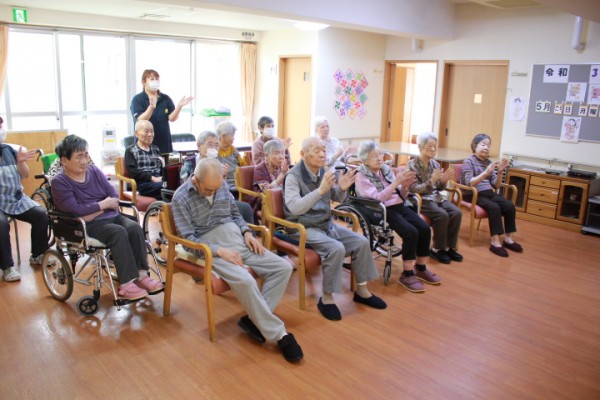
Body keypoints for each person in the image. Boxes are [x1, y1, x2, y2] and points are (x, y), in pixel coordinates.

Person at [171, 157, 303, 362]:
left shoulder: (220, 185)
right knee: (246, 280)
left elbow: (235, 214)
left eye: (216, 188)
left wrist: (247, 233)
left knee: (282, 267)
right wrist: (219, 251)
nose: (213, 192)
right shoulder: (180, 198)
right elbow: (188, 240)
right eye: (208, 189)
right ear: (196, 180)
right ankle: (280, 335)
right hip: (210, 246)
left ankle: (255, 321)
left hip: (236, 237)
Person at [283, 136, 386, 321]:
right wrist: (320, 191)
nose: (322, 154)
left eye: (323, 150)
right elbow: (295, 208)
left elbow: (336, 196)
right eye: (316, 151)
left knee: (362, 242)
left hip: (325, 223)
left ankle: (362, 291)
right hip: (302, 227)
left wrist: (343, 189)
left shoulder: (324, 171)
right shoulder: (293, 176)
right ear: (303, 154)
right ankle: (327, 299)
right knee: (336, 248)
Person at [51, 134, 164, 300]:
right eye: (79, 157)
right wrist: (103, 205)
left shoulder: (94, 171)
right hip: (85, 225)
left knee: (134, 227)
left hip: (107, 216)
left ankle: (141, 275)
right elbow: (74, 210)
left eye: (86, 155)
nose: (85, 160)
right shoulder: (59, 182)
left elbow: (112, 194)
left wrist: (95, 209)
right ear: (64, 160)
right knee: (118, 232)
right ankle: (126, 284)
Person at [355, 140, 440, 293]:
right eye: (374, 156)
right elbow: (378, 198)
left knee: (424, 228)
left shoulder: (385, 169)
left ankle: (421, 268)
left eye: (380, 154)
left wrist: (405, 186)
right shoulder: (361, 176)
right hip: (381, 210)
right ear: (364, 160)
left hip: (399, 205)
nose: (379, 158)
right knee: (410, 232)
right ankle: (407, 274)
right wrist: (396, 183)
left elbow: (400, 194)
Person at [0, 116, 50, 281]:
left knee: (41, 214)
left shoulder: (9, 150)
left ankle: (38, 254)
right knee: (1, 224)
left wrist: (21, 162)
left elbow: (25, 175)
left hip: (16, 198)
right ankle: (7, 267)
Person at [461, 133, 523, 257]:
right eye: (483, 144)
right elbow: (470, 183)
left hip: (488, 192)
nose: (486, 147)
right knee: (494, 207)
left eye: (488, 145)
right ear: (475, 145)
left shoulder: (489, 162)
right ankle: (495, 242)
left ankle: (508, 239)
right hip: (473, 193)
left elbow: (496, 185)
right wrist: (485, 173)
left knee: (509, 205)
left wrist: (499, 172)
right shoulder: (468, 161)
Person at [408, 132, 463, 264]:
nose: (433, 149)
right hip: (421, 199)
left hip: (436, 197)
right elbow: (413, 189)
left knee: (456, 212)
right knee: (442, 215)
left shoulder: (436, 165)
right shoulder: (411, 165)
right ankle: (437, 248)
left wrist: (443, 181)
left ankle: (449, 247)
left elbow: (438, 188)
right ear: (420, 147)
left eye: (435, 147)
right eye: (430, 146)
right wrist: (431, 181)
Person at [180, 130, 254, 224]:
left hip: (219, 200)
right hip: (198, 201)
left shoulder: (218, 163)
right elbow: (186, 186)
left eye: (216, 145)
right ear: (199, 146)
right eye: (210, 144)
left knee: (246, 208)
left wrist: (223, 177)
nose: (214, 148)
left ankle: (247, 232)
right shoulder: (189, 163)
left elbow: (224, 189)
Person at [130, 69, 193, 154]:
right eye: (152, 79)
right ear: (144, 82)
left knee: (165, 162)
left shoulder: (165, 98)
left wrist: (179, 106)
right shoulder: (137, 99)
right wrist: (151, 107)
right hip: (144, 144)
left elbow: (172, 118)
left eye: (157, 79)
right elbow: (140, 120)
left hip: (164, 143)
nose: (155, 81)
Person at [124, 120, 164, 200]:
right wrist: (152, 178)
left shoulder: (155, 149)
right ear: (136, 133)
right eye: (146, 131)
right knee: (166, 187)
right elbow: (133, 171)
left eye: (152, 131)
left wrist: (164, 178)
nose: (150, 134)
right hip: (143, 184)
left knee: (174, 185)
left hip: (159, 181)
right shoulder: (130, 150)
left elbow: (162, 167)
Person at [251, 139, 289, 215]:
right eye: (277, 153)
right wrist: (281, 176)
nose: (281, 157)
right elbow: (267, 191)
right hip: (264, 203)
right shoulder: (260, 169)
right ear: (267, 155)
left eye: (283, 153)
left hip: (281, 198)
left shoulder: (281, 166)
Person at [216, 121, 247, 192]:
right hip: (224, 180)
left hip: (237, 179)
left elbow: (242, 164)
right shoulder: (215, 151)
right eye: (232, 135)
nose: (234, 138)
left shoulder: (233, 149)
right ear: (223, 137)